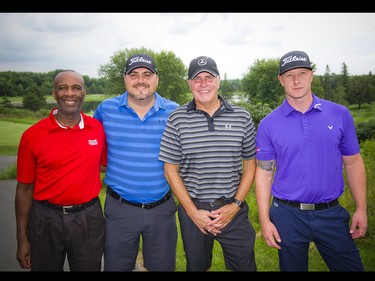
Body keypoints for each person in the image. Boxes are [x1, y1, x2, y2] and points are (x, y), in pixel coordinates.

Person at [255, 50, 367, 271]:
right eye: (289, 75)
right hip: (287, 215)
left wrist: (361, 208)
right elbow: (264, 172)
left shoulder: (339, 114)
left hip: (330, 213)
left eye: (302, 73)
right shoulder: (268, 124)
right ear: (280, 80)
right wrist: (265, 220)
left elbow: (353, 162)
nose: (296, 80)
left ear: (312, 75)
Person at [158, 56, 257, 271]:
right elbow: (170, 170)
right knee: (197, 267)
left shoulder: (242, 117)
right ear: (189, 84)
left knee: (245, 267)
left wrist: (235, 205)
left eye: (209, 77)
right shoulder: (177, 119)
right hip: (194, 211)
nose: (203, 84)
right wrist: (194, 213)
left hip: (233, 210)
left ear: (219, 80)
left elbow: (251, 166)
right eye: (197, 79)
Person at [93, 53, 179, 271]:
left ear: (156, 79)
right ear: (125, 79)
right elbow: (90, 148)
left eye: (147, 74)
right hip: (120, 210)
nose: (140, 80)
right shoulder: (106, 110)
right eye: (134, 74)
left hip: (162, 209)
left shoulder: (175, 112)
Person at [15, 70, 107, 271]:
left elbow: (103, 165)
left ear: (84, 93)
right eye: (62, 88)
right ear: (54, 93)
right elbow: (24, 189)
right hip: (46, 218)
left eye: (76, 88)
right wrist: (22, 240)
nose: (69, 93)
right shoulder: (32, 135)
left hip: (88, 217)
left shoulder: (97, 129)